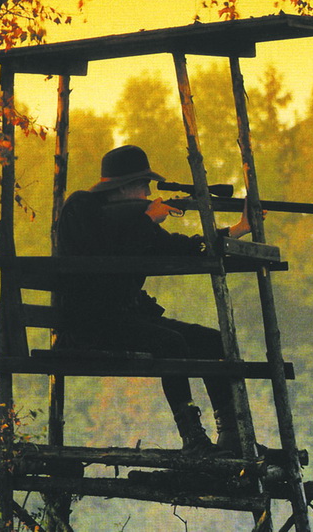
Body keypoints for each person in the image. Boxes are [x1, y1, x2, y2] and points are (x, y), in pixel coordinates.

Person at [56, 145, 253, 457]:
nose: (149, 193)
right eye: (143, 185)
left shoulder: (134, 221)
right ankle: (193, 439)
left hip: (126, 318)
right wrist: (147, 221)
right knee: (171, 343)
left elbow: (181, 248)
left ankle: (232, 436)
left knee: (213, 341)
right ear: (124, 187)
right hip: (90, 323)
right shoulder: (80, 209)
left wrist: (236, 230)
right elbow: (101, 260)